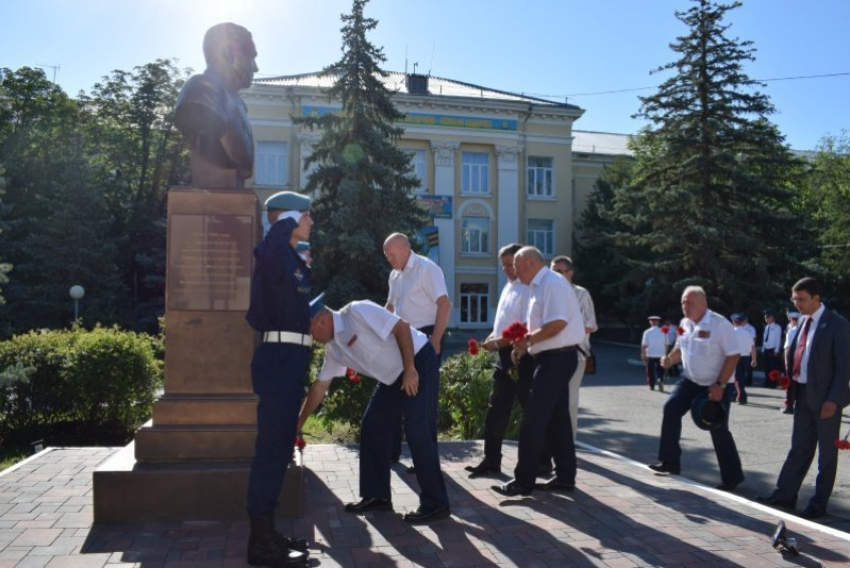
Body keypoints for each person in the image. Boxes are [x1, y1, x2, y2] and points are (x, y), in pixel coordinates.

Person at [298, 299, 451, 524]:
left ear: (321, 320)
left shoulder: (357, 311)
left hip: (417, 360)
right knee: (372, 425)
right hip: (391, 378)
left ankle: (436, 503)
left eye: (311, 332)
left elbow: (401, 327)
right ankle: (377, 496)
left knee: (417, 430)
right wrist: (298, 423)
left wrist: (410, 370)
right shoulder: (333, 350)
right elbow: (320, 388)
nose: (313, 339)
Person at [244, 191, 313, 567]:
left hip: (292, 359)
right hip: (278, 358)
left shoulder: (290, 259)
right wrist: (286, 219)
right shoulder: (274, 254)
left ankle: (267, 532)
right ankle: (260, 544)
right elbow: (266, 250)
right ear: (288, 216)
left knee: (279, 448)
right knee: (271, 450)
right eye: (307, 215)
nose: (312, 222)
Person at [492, 246, 585, 497]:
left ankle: (523, 481)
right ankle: (565, 477)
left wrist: (528, 341)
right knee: (558, 420)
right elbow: (541, 326)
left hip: (558, 358)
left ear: (532, 264)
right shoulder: (536, 285)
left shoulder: (552, 283)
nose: (515, 273)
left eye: (518, 267)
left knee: (533, 418)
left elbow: (557, 324)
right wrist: (524, 348)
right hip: (550, 357)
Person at [758, 277, 850, 519]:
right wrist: (790, 380)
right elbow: (800, 356)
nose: (796, 304)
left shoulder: (837, 324)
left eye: (801, 299)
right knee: (799, 447)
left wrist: (834, 400)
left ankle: (819, 504)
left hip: (826, 399)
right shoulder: (801, 324)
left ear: (816, 299)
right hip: (802, 394)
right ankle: (785, 494)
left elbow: (844, 367)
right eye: (794, 299)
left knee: (827, 454)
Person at [649, 286, 744, 492]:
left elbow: (733, 355)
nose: (685, 306)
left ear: (703, 304)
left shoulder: (720, 324)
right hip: (690, 380)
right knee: (671, 409)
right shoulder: (685, 323)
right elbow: (680, 347)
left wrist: (720, 384)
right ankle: (670, 460)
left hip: (715, 383)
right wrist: (670, 359)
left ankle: (732, 477)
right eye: (683, 302)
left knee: (717, 428)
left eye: (689, 303)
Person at [464, 244, 534, 478]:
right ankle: (491, 460)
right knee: (496, 411)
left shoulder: (529, 288)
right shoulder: (509, 285)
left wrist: (498, 342)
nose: (506, 269)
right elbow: (505, 319)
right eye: (503, 264)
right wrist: (492, 336)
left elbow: (526, 326)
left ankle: (543, 462)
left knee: (532, 411)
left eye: (510, 264)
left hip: (522, 355)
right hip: (504, 356)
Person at [383, 233, 451, 466]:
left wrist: (436, 340)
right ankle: (392, 452)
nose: (388, 259)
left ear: (405, 249)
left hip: (425, 337)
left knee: (423, 402)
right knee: (394, 393)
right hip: (401, 339)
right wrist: (380, 329)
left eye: (391, 254)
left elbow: (444, 304)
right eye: (386, 254)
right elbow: (390, 306)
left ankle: (426, 459)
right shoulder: (395, 275)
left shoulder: (426, 268)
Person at [175, 22, 257, 186]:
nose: (255, 67)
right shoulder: (201, 91)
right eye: (251, 57)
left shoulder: (238, 105)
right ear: (229, 53)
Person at [550, 255, 598, 438]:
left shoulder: (581, 294)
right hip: (548, 355)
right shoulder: (548, 293)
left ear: (570, 273)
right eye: (552, 271)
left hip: (574, 354)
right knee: (550, 400)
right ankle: (552, 442)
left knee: (569, 400)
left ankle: (568, 443)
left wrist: (562, 329)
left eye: (559, 271)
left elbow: (591, 324)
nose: (555, 275)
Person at [731, 314, 756, 405]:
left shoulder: (732, 332)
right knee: (740, 377)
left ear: (734, 322)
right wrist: (754, 359)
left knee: (737, 377)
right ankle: (734, 395)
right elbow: (753, 347)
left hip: (735, 357)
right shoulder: (747, 333)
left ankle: (742, 396)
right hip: (745, 357)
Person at [782, 311, 801, 414]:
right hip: (801, 360)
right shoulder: (804, 330)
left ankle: (789, 405)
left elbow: (787, 348)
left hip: (792, 360)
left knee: (789, 383)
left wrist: (786, 362)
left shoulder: (792, 331)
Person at [641, 316, 667, 391]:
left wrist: (643, 354)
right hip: (661, 354)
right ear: (658, 322)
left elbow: (644, 345)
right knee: (661, 369)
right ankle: (660, 380)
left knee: (650, 371)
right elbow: (667, 344)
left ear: (650, 322)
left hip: (650, 354)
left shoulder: (647, 332)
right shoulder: (663, 331)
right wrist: (665, 353)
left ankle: (651, 385)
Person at [762, 310, 783, 388]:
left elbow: (778, 339)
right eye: (765, 318)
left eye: (768, 317)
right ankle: (767, 382)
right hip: (766, 349)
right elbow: (765, 339)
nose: (766, 319)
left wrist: (776, 350)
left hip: (773, 349)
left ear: (772, 318)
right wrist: (763, 349)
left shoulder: (777, 327)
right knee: (766, 367)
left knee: (773, 367)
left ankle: (773, 383)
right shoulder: (766, 327)